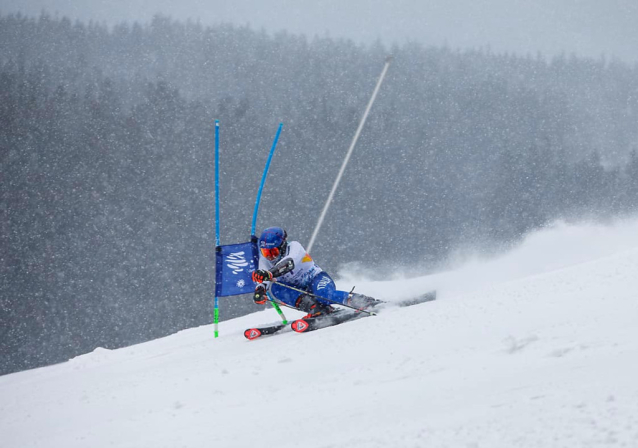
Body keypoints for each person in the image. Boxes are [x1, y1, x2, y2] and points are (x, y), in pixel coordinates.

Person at [251, 226, 382, 317]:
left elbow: (288, 263)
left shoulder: (294, 247)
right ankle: (317, 310)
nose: (270, 257)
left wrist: (270, 273)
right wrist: (260, 290)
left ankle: (361, 301)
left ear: (282, 246)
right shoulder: (265, 259)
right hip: (298, 289)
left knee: (324, 294)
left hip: (316, 279)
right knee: (276, 289)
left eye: (273, 252)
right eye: (265, 252)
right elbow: (264, 277)